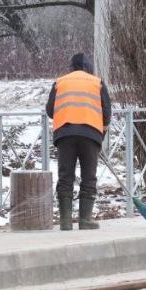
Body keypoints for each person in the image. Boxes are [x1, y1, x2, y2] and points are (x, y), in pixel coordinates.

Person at [46, 52, 113, 231]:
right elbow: (107, 113)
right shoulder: (97, 83)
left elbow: (50, 111)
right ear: (87, 68)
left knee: (65, 176)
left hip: (65, 135)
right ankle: (85, 220)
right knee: (88, 177)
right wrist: (102, 133)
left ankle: (65, 222)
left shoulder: (60, 82)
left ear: (71, 67)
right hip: (90, 135)